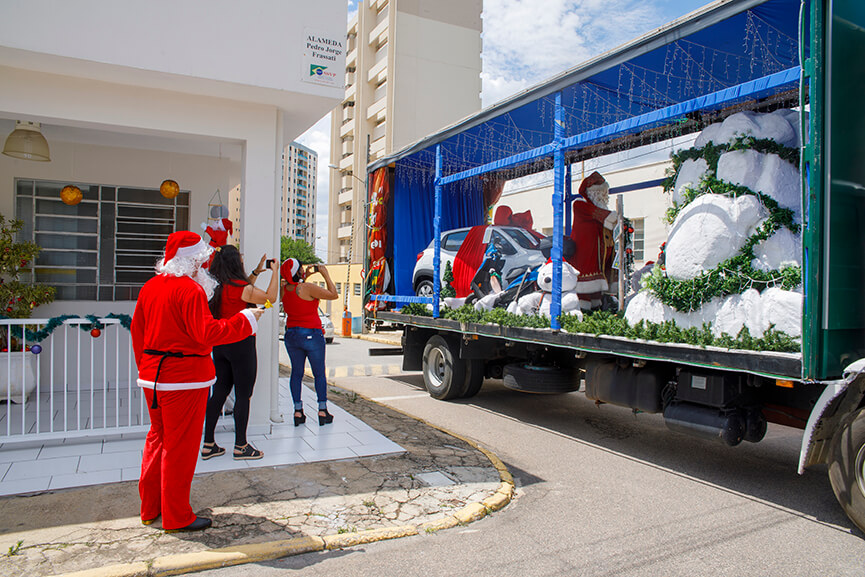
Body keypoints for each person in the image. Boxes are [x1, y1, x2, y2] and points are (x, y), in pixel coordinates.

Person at [131, 231, 265, 532]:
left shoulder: (151, 286)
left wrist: (146, 369)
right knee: (179, 448)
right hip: (184, 380)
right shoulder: (189, 290)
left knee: (157, 439)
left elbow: (138, 331)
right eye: (201, 260)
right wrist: (246, 319)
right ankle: (177, 516)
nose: (204, 266)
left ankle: (150, 507)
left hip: (153, 377)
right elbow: (207, 334)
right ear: (191, 260)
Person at [201, 246, 279, 461]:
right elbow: (270, 298)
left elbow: (243, 292)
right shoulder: (242, 288)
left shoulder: (215, 287)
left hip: (220, 345)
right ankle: (241, 445)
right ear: (236, 262)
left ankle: (208, 444)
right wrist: (275, 272)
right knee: (244, 395)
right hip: (242, 344)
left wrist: (256, 272)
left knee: (219, 392)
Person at [280, 258, 338, 426]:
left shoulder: (284, 289)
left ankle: (298, 411)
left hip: (292, 334)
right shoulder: (307, 288)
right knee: (318, 373)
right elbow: (333, 294)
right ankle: (322, 410)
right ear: (297, 271)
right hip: (311, 334)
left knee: (296, 373)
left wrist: (304, 276)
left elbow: (296, 289)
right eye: (301, 269)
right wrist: (325, 274)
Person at [567, 171, 617, 310]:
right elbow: (608, 218)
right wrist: (617, 217)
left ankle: (596, 309)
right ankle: (584, 309)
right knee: (584, 285)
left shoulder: (598, 207)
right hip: (584, 254)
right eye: (601, 192)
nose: (604, 196)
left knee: (597, 291)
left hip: (599, 256)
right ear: (592, 192)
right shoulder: (580, 205)